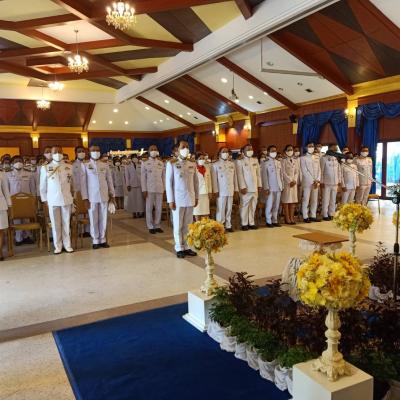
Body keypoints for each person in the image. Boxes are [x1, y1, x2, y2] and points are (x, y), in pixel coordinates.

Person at [166, 140, 199, 259]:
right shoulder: (172, 163)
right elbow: (169, 183)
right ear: (177, 150)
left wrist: (196, 197)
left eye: (187, 146)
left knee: (188, 225)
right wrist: (170, 200)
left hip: (190, 198)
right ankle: (179, 248)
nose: (186, 149)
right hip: (178, 199)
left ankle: (187, 246)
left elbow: (196, 182)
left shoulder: (192, 163)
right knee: (178, 225)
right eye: (183, 147)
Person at [40, 146, 74, 254]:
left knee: (66, 223)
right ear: (51, 153)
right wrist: (45, 200)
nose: (58, 154)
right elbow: (42, 187)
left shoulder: (69, 166)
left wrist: (73, 198)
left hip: (66, 199)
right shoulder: (45, 167)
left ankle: (67, 245)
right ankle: (58, 246)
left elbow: (72, 184)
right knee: (55, 225)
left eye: (60, 151)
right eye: (55, 152)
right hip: (53, 200)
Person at [81, 145, 115, 249]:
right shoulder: (85, 165)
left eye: (97, 150)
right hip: (92, 197)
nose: (96, 152)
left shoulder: (104, 165)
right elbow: (83, 183)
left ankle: (103, 239)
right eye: (93, 150)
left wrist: (112, 195)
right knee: (93, 219)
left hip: (104, 195)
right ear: (89, 152)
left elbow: (109, 181)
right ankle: (95, 240)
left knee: (103, 218)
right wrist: (85, 198)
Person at [7, 156, 37, 245]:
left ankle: (27, 236)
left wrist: (33, 200)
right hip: (14, 201)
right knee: (16, 219)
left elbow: (33, 188)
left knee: (26, 219)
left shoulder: (29, 174)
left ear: (23, 163)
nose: (18, 163)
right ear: (12, 164)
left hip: (26, 200)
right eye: (16, 161)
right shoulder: (8, 174)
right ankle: (18, 238)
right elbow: (7, 189)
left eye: (20, 161)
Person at [235, 144, 261, 230]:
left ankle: (251, 223)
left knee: (253, 206)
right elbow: (239, 175)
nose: (250, 151)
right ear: (243, 151)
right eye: (248, 149)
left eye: (251, 149)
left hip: (254, 187)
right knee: (244, 206)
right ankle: (244, 223)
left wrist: (259, 185)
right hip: (246, 188)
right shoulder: (240, 161)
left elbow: (258, 174)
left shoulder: (255, 160)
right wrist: (242, 186)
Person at [212, 147, 238, 232]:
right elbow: (214, 179)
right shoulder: (215, 165)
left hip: (230, 189)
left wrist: (236, 189)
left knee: (229, 208)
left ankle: (228, 225)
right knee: (221, 209)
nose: (225, 153)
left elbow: (235, 178)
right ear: (219, 153)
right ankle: (220, 226)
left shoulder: (232, 164)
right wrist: (215, 190)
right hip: (221, 191)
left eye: (227, 152)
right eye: (224, 152)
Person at [141, 145, 165, 234]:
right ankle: (150, 226)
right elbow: (143, 178)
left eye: (155, 149)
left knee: (159, 208)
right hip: (149, 189)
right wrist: (144, 189)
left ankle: (157, 225)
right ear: (148, 151)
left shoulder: (161, 163)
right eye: (152, 149)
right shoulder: (145, 163)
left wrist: (164, 189)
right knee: (149, 208)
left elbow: (163, 177)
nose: (154, 151)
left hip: (159, 188)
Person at [261, 145, 283, 228]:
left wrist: (282, 185)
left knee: (276, 205)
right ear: (268, 152)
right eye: (272, 151)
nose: (274, 152)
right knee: (269, 204)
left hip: (278, 186)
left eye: (275, 151)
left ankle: (275, 220)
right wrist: (266, 187)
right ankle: (268, 221)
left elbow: (281, 175)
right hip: (270, 187)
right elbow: (264, 176)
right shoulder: (265, 162)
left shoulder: (278, 162)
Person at [300, 143, 321, 223]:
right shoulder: (303, 158)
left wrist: (318, 180)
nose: (311, 147)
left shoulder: (316, 157)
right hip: (308, 182)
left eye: (312, 146)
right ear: (306, 147)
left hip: (316, 182)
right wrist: (313, 181)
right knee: (306, 199)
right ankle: (305, 216)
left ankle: (313, 215)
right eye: (309, 146)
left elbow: (319, 169)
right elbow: (304, 171)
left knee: (314, 199)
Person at [320, 143, 342, 221]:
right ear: (330, 148)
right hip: (326, 182)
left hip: (335, 182)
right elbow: (321, 170)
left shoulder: (336, 158)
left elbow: (339, 170)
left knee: (333, 199)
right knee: (326, 199)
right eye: (334, 148)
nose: (336, 149)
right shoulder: (324, 158)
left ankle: (331, 213)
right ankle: (325, 214)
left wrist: (339, 180)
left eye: (336, 148)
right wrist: (321, 181)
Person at [281, 145, 300, 225]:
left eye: (291, 149)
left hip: (294, 183)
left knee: (293, 201)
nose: (290, 151)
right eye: (288, 150)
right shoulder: (283, 161)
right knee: (286, 201)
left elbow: (297, 171)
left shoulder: (295, 160)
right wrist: (289, 181)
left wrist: (294, 180)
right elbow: (283, 172)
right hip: (287, 183)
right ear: (285, 151)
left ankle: (292, 218)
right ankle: (287, 218)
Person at [193, 152, 212, 220]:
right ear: (196, 160)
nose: (202, 160)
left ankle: (205, 225)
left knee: (205, 212)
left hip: (205, 193)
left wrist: (210, 191)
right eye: (200, 158)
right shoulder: (193, 169)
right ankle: (198, 224)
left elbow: (209, 181)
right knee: (197, 211)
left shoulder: (207, 168)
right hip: (197, 193)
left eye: (203, 158)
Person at [125, 154, 144, 218]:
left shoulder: (140, 164)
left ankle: (139, 212)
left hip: (140, 184)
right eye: (133, 157)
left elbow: (143, 175)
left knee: (139, 200)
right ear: (131, 158)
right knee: (133, 200)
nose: (135, 158)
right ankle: (134, 213)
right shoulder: (128, 165)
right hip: (132, 185)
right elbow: (127, 176)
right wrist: (128, 185)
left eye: (136, 157)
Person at [0, 170, 11, 261]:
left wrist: (9, 205)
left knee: (1, 229)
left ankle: (0, 251)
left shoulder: (1, 173)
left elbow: (6, 191)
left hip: (1, 205)